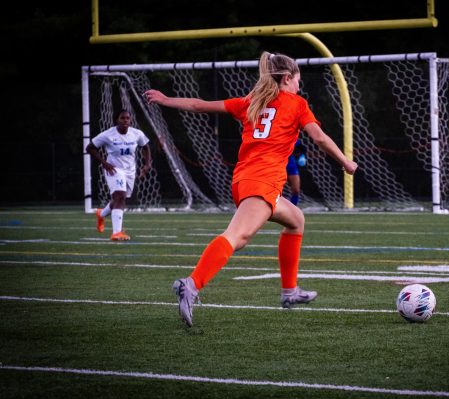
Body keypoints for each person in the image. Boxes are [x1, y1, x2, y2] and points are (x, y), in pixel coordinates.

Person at [144, 51, 358, 327]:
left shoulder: (250, 102)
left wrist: (165, 100)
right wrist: (345, 162)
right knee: (236, 236)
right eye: (297, 80)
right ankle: (191, 284)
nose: (298, 86)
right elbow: (318, 137)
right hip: (263, 181)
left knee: (295, 220)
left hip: (245, 179)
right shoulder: (296, 103)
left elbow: (198, 105)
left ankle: (290, 291)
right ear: (286, 78)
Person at [86, 109, 152, 241]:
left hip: (130, 170)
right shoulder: (108, 134)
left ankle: (101, 214)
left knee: (120, 199)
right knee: (120, 196)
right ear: (117, 120)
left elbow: (145, 146)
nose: (125, 121)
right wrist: (104, 163)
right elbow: (90, 148)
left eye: (128, 118)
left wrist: (147, 164)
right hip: (114, 169)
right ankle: (116, 233)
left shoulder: (136, 133)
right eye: (122, 118)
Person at [286, 139, 306, 206]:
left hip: (291, 165)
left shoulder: (293, 137)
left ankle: (292, 208)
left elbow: (301, 148)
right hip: (277, 165)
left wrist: (302, 156)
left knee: (296, 190)